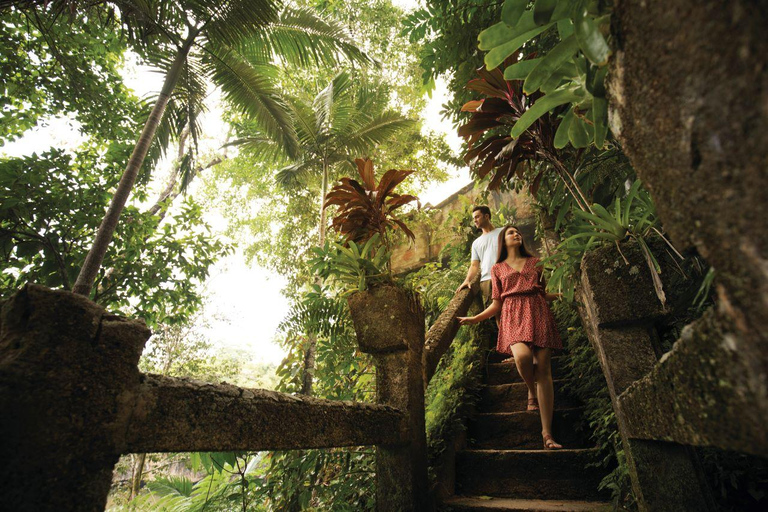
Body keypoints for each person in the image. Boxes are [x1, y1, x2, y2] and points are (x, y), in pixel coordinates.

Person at [458, 225, 564, 450]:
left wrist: (563, 295)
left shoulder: (536, 262)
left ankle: (547, 434)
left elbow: (543, 294)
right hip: (513, 315)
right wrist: (475, 318)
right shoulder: (497, 269)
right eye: (510, 233)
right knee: (523, 358)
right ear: (502, 241)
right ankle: (531, 389)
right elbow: (497, 304)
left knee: (544, 369)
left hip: (538, 311)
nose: (516, 234)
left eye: (517, 232)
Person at [456, 206, 502, 307]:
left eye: (477, 217)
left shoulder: (503, 232)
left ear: (486, 216)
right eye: (474, 218)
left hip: (505, 276)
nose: (475, 220)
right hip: (487, 281)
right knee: (496, 316)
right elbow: (474, 265)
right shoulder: (476, 243)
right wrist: (467, 280)